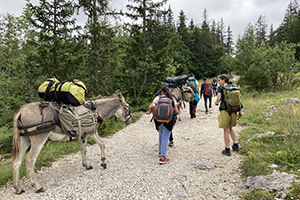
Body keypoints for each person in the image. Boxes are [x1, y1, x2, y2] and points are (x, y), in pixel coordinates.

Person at [146, 86, 178, 164]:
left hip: (158, 120)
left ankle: (160, 150)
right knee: (165, 137)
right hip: (168, 121)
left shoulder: (158, 98)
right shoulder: (172, 99)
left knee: (161, 134)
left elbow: (151, 106)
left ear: (162, 92)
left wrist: (151, 110)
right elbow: (176, 111)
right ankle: (163, 157)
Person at [214, 74, 241, 156]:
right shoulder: (233, 86)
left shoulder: (221, 88)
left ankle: (227, 149)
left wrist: (216, 102)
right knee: (230, 127)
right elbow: (238, 100)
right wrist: (240, 111)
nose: (218, 82)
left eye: (219, 80)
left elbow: (219, 98)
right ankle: (235, 145)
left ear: (223, 80)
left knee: (226, 129)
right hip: (234, 110)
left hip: (225, 110)